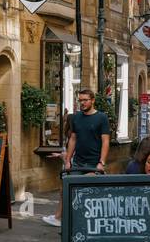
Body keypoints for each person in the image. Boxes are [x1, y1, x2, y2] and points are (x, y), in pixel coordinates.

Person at [43, 88, 111, 229]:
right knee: (65, 189)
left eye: (85, 100)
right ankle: (58, 218)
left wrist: (101, 162)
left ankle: (86, 222)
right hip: (78, 162)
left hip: (93, 163)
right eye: (80, 100)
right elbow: (73, 139)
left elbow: (105, 141)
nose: (82, 103)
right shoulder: (77, 117)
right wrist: (68, 160)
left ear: (92, 100)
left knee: (86, 192)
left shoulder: (101, 118)